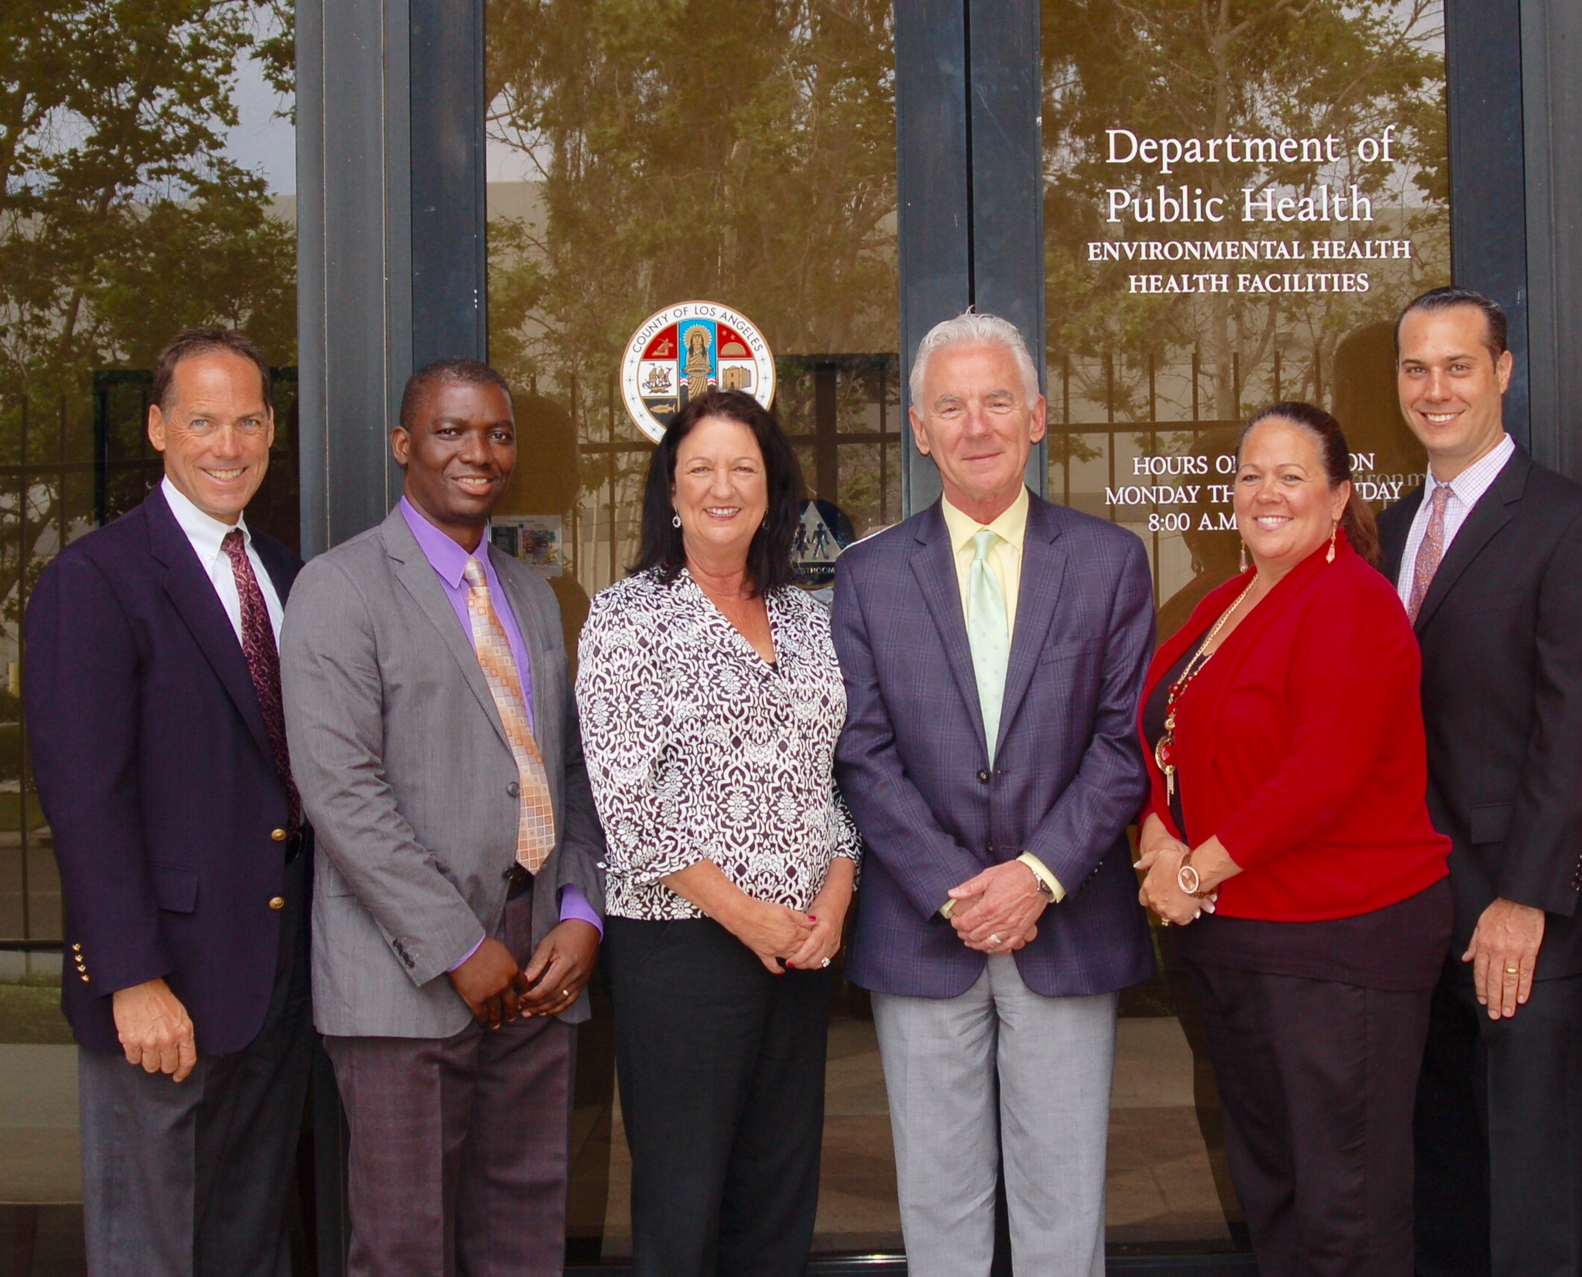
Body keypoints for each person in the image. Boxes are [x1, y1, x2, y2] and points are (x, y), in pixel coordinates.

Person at [832, 311, 1156, 1277]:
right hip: (923, 930)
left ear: (1039, 417)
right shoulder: (866, 574)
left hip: (1065, 920)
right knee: (939, 1208)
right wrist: (960, 888)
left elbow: (1121, 742)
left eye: (998, 401)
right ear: (919, 429)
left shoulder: (1108, 562)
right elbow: (862, 750)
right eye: (951, 406)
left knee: (1064, 1208)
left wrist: (1037, 875)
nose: (977, 425)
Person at [280, 358, 605, 1277]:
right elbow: (341, 790)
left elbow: (568, 769)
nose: (479, 452)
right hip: (405, 975)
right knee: (406, 1248)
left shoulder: (533, 594)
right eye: (451, 431)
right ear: (403, 445)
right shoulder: (340, 590)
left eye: (497, 434)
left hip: (539, 963)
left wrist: (581, 911)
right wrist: (460, 946)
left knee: (523, 1238)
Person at [1135, 403, 1453, 1273]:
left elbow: (1320, 773)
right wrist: (1161, 832)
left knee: (1344, 1212)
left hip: (1337, 947)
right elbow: (1169, 736)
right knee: (1273, 1193)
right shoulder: (1230, 599)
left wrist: (1195, 871)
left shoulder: (1351, 599)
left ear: (1339, 494)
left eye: (1291, 475)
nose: (1265, 493)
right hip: (1242, 942)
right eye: (1249, 474)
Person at [23, 329, 309, 1276]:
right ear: (157, 428)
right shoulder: (94, 580)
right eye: (202, 421)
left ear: (270, 430)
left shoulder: (281, 571)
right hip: (163, 990)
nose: (228, 445)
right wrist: (129, 975)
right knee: (151, 1250)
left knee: (249, 1243)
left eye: (246, 421)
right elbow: (85, 797)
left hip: (273, 983)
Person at [1377, 287, 1582, 1277]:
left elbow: (1579, 727)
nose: (1434, 388)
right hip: (1417, 911)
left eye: (1457, 365)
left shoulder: (1572, 525)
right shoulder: (1398, 527)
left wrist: (1524, 898)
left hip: (1520, 915)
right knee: (1446, 1178)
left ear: (1502, 372)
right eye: (1415, 367)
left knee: (1532, 1198)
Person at [574, 389, 860, 1276]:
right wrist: (749, 916)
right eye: (700, 467)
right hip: (684, 950)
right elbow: (629, 808)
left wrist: (837, 893)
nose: (722, 485)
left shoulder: (812, 621)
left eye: (744, 466)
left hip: (803, 950)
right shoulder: (626, 618)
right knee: (685, 1199)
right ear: (670, 490)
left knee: (778, 1197)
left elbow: (832, 783)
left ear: (772, 489)